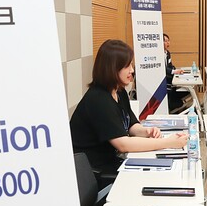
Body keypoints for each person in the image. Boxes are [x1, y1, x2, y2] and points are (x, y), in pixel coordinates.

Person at [70, 39, 188, 175]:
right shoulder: (98, 99)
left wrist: (147, 131)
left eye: (131, 64)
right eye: (127, 66)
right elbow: (123, 144)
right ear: (112, 68)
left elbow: (131, 125)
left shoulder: (119, 91)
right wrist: (168, 143)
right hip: (96, 171)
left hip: (114, 160)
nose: (132, 70)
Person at [163, 33, 185, 112]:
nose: (168, 43)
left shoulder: (167, 53)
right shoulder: (158, 55)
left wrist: (176, 70)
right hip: (164, 79)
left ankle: (174, 102)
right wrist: (174, 71)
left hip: (169, 76)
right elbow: (163, 69)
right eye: (165, 41)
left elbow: (170, 66)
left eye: (168, 40)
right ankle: (171, 104)